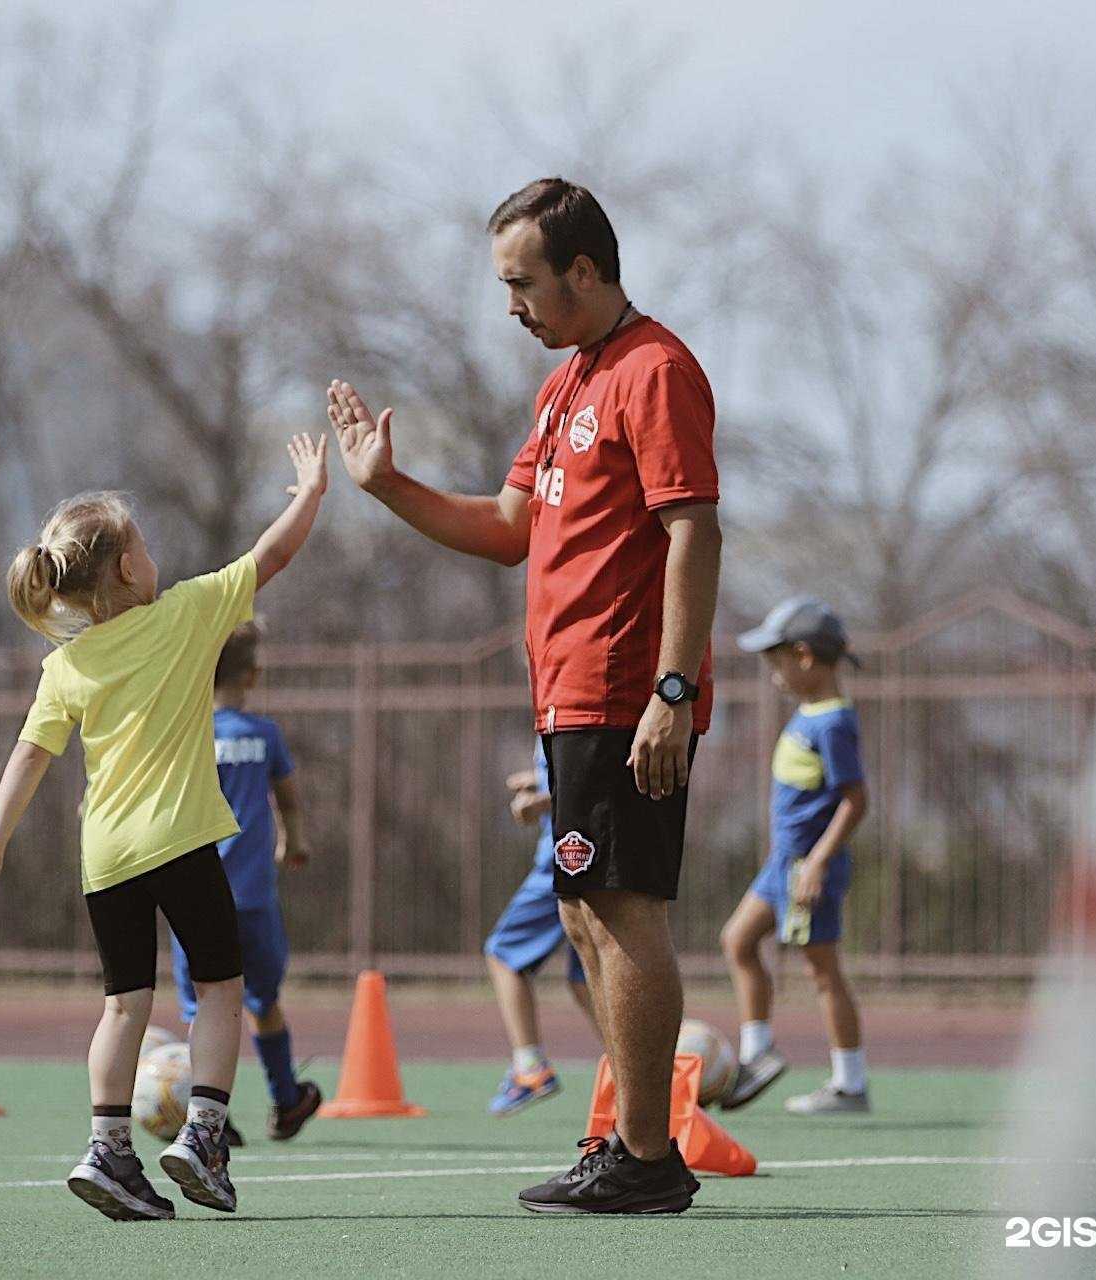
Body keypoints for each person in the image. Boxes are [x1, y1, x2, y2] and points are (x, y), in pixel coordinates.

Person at [329, 177, 722, 1214]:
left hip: (624, 687)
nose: (511, 304)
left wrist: (670, 691)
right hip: (566, 696)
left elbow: (693, 531)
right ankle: (626, 1137)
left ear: (583, 272)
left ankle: (644, 1153)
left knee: (621, 910)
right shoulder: (563, 386)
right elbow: (510, 530)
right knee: (583, 914)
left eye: (523, 283)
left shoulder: (654, 369)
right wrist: (386, 486)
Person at [0, 434, 328, 1222]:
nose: (154, 555)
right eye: (144, 543)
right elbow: (272, 555)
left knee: (124, 1006)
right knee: (223, 987)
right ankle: (203, 1133)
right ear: (128, 568)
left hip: (106, 857)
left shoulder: (67, 665)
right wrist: (311, 489)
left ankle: (108, 1151)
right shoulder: (188, 615)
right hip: (180, 840)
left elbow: (29, 757)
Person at [171, 620, 322, 1142]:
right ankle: (286, 1100)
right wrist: (294, 840)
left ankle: (210, 1117)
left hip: (190, 892)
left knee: (201, 1007)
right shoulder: (263, 735)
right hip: (252, 896)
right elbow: (289, 797)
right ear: (253, 675)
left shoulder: (185, 733)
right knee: (263, 1000)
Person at [719, 596, 871, 1114]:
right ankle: (757, 1053)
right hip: (781, 866)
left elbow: (856, 800)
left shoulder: (832, 723)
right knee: (738, 941)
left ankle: (850, 1084)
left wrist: (819, 863)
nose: (771, 671)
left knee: (821, 970)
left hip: (807, 867)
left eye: (775, 658)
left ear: (804, 656)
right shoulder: (810, 714)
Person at [484, 737, 598, 1116]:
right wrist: (538, 782)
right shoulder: (553, 705)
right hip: (586, 852)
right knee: (588, 979)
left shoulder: (570, 699)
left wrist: (544, 801)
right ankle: (641, 1074)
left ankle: (530, 1068)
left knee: (503, 955)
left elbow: (597, 776)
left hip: (567, 856)